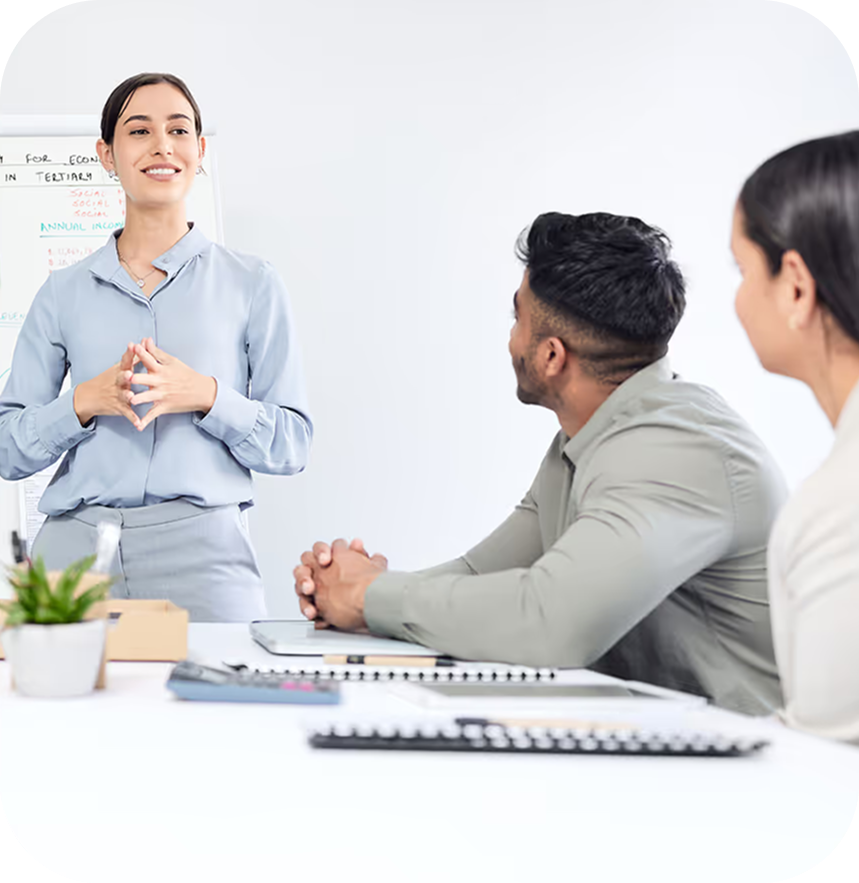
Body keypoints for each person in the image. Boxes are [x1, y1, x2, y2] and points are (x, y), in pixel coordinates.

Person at [292, 211, 788, 715]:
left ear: (552, 356)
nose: (509, 340)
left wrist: (368, 597)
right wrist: (352, 590)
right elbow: (477, 577)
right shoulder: (591, 437)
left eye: (517, 319)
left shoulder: (680, 451)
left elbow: (550, 622)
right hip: (660, 742)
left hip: (759, 765)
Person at [0, 72, 312, 622]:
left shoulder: (253, 283)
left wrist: (208, 395)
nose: (162, 145)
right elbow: (7, 448)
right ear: (107, 153)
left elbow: (291, 445)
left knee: (221, 702)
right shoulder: (61, 292)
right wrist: (82, 403)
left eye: (179, 129)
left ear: (199, 150)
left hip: (204, 550)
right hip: (73, 556)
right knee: (53, 704)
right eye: (139, 130)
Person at [731, 131, 859, 743]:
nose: (736, 298)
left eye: (742, 269)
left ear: (797, 286)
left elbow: (826, 762)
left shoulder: (840, 512)